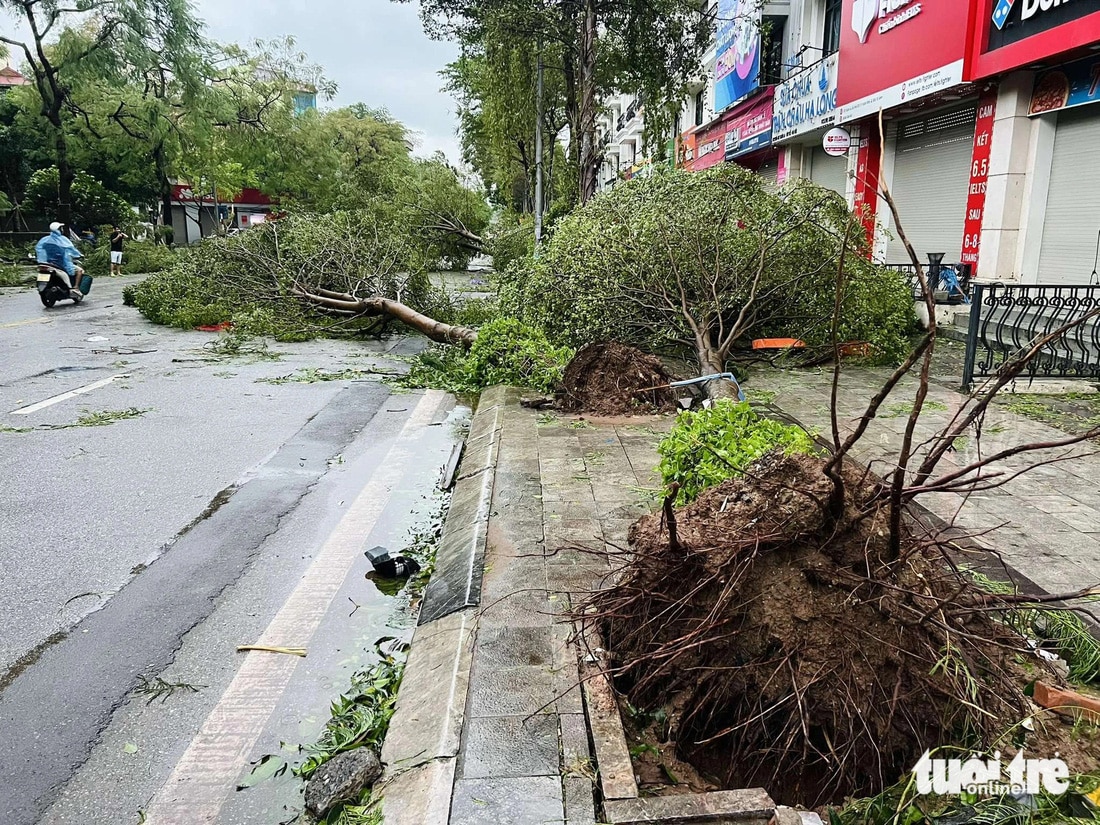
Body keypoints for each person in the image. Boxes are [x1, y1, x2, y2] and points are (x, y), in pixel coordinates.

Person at [35, 222, 85, 300]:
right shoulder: (62, 240)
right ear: (59, 229)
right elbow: (71, 249)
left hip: (47, 263)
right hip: (60, 264)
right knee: (80, 270)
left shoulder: (45, 240)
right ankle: (74, 288)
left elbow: (39, 249)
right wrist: (79, 255)